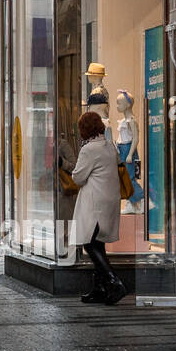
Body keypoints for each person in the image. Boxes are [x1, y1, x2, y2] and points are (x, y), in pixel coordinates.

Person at [70, 110, 128, 304]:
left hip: (94, 201)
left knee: (89, 242)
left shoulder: (89, 150)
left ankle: (114, 282)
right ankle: (100, 288)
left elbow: (78, 177)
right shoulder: (110, 146)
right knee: (98, 242)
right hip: (110, 199)